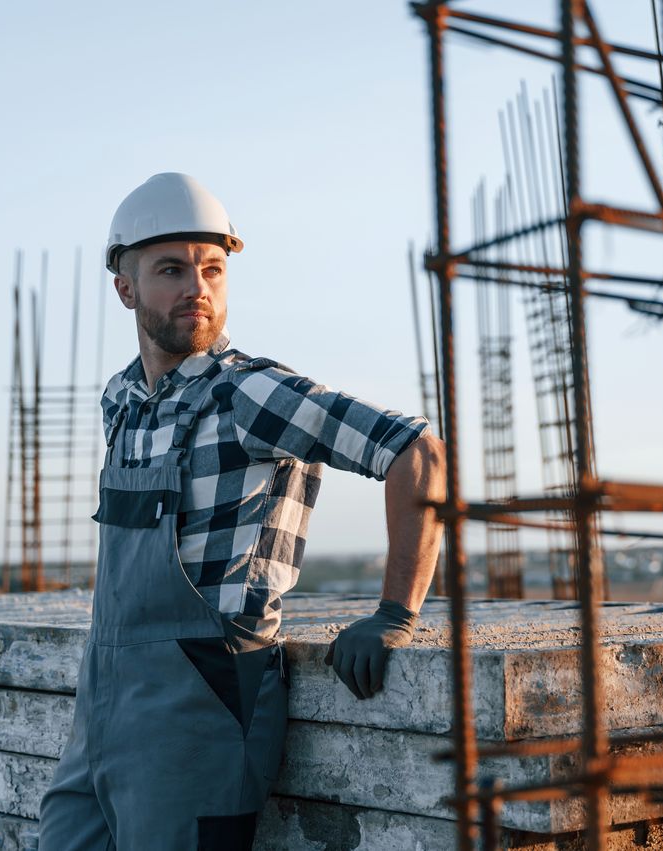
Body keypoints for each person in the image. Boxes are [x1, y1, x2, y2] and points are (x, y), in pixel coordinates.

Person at [37, 172, 445, 851]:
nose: (197, 287)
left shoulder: (249, 393)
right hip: (103, 713)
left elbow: (415, 448)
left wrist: (396, 612)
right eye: (171, 269)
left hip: (201, 716)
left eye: (213, 268)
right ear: (126, 288)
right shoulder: (122, 401)